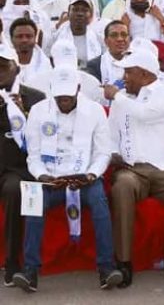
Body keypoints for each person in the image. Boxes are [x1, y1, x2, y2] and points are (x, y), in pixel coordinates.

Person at [14, 65, 122, 292]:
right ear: (52, 90)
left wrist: (91, 174)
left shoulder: (95, 111)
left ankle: (106, 268)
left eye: (68, 96)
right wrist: (42, 176)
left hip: (84, 178)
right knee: (33, 201)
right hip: (50, 180)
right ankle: (30, 270)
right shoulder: (38, 111)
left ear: (78, 89)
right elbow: (33, 156)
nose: (64, 101)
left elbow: (103, 153)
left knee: (100, 203)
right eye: (59, 96)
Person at [105, 48, 164, 288]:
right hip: (132, 169)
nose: (124, 78)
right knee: (122, 186)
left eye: (128, 72)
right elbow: (112, 133)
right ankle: (123, 262)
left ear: (144, 74)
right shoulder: (122, 98)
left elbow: (144, 114)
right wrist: (113, 153)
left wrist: (118, 97)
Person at [0, 44, 45, 286]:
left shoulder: (35, 97)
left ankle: (15, 263)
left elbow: (47, 136)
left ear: (16, 68)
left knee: (18, 189)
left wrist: (24, 115)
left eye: (3, 66)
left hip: (19, 168)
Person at [52, 0, 102, 69]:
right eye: (75, 10)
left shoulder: (98, 38)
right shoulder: (55, 37)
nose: (80, 14)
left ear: (91, 15)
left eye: (84, 10)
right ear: (68, 13)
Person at [85, 21, 129, 87]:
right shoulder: (94, 65)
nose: (120, 39)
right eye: (114, 35)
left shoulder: (137, 64)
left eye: (124, 35)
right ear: (106, 41)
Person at [9, 18, 51, 84]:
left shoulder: (46, 65)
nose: (24, 40)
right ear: (11, 39)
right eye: (19, 36)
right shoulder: (3, 63)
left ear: (35, 38)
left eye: (29, 36)